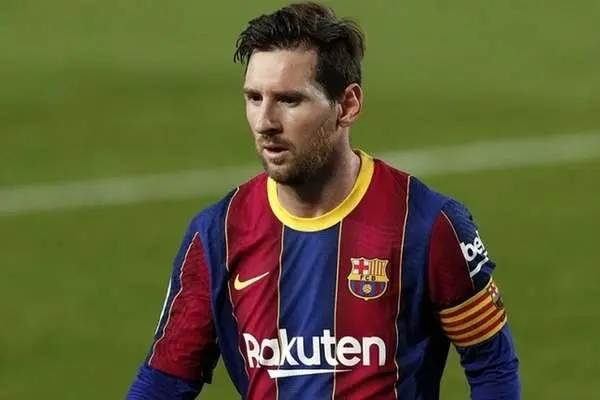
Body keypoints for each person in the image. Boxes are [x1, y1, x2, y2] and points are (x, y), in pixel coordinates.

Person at [126, 2, 520, 399]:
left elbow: (492, 365)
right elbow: (165, 380)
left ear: (347, 105)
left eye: (289, 100)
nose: (265, 122)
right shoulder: (218, 233)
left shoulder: (427, 225)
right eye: (254, 98)